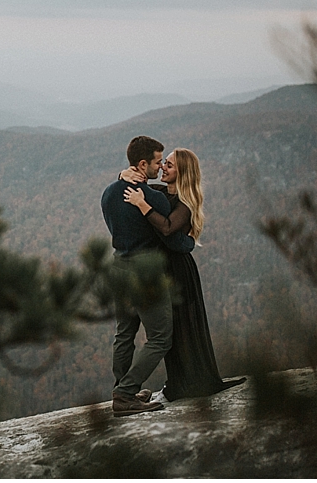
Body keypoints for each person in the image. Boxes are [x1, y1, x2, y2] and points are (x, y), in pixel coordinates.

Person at [122, 148, 245, 401]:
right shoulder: (159, 192)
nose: (163, 168)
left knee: (184, 326)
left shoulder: (186, 203)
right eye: (164, 163)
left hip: (178, 271)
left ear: (183, 172)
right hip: (162, 269)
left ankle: (193, 382)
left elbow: (167, 228)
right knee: (171, 329)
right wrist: (123, 173)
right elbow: (138, 183)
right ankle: (178, 381)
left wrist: (142, 205)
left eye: (170, 165)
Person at [100, 136, 197, 416]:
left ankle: (122, 389)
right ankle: (126, 392)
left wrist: (121, 176)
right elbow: (172, 238)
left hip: (118, 265)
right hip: (145, 271)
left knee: (125, 332)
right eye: (157, 162)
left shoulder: (108, 192)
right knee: (160, 337)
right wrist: (190, 243)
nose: (160, 166)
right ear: (143, 164)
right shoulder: (154, 199)